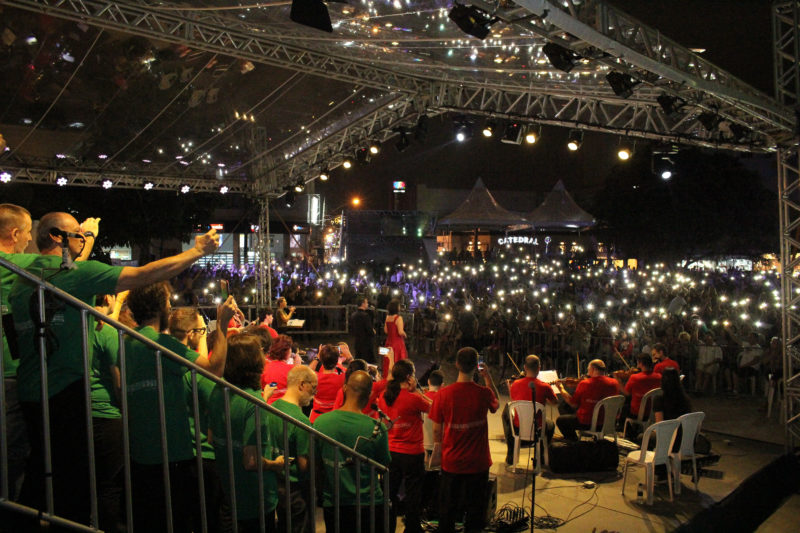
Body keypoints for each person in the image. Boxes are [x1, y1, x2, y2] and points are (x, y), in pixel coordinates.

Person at [10, 212, 219, 527]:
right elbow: (143, 275)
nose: (84, 239)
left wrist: (85, 241)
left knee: (38, 475)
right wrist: (196, 251)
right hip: (65, 393)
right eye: (78, 234)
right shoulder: (76, 275)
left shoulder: (19, 276)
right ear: (56, 237)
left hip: (29, 390)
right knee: (73, 489)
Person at [124, 282, 237, 532]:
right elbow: (215, 369)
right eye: (167, 303)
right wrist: (222, 324)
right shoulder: (160, 344)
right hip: (171, 454)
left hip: (139, 453)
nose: (169, 307)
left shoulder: (127, 340)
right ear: (158, 309)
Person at [208, 334, 285, 533]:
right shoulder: (254, 405)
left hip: (230, 490)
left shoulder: (218, 391)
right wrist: (276, 464)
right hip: (255, 498)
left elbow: (211, 436)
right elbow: (251, 461)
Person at [170, 306, 231, 533]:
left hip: (181, 452)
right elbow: (213, 378)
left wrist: (202, 337)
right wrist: (221, 327)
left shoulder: (170, 360)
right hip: (204, 455)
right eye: (202, 331)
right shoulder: (195, 375)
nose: (205, 334)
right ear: (191, 334)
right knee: (210, 518)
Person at [428, 347, 499, 533]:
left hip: (452, 462)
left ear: (457, 364)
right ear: (476, 366)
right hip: (478, 462)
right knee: (475, 512)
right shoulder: (484, 393)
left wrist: (438, 451)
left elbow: (436, 430)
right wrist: (488, 377)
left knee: (447, 511)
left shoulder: (444, 394)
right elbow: (496, 404)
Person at [314, 371, 391, 533]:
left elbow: (316, 463)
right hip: (369, 502)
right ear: (369, 394)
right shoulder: (377, 428)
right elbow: (383, 464)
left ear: (344, 388)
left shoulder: (321, 423)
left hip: (335, 501)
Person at [0, 203, 37, 501]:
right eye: (27, 234)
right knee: (13, 455)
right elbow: (66, 272)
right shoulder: (18, 265)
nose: (29, 241)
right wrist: (88, 236)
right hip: (11, 375)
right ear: (14, 234)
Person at [378, 360, 432, 533]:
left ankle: (388, 527)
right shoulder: (413, 398)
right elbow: (433, 407)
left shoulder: (384, 397)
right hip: (412, 453)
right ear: (409, 377)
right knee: (413, 494)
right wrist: (416, 390)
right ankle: (412, 528)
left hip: (391, 451)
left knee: (390, 493)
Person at [91, 291, 126, 532]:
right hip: (108, 415)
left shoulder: (81, 325)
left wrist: (119, 300)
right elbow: (119, 383)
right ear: (106, 298)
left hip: (81, 409)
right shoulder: (109, 333)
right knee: (110, 484)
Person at [267, 365, 317, 533]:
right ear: (302, 384)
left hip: (274, 484)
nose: (314, 393)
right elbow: (304, 466)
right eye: (313, 387)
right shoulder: (301, 421)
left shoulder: (270, 408)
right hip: (295, 490)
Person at [502, 355, 558, 465]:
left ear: (524, 367)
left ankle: (511, 453)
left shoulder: (515, 384)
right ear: (539, 368)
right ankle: (540, 456)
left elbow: (514, 400)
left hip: (518, 428)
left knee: (507, 413)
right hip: (538, 429)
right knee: (550, 424)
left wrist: (510, 388)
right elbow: (555, 402)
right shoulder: (545, 386)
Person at [556, 359, 620, 441]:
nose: (587, 373)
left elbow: (573, 404)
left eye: (588, 370)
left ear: (594, 369)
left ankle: (573, 442)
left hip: (589, 423)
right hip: (609, 422)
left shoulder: (585, 383)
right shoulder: (614, 383)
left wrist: (561, 389)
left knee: (561, 420)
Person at [618, 353, 662, 435]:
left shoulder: (635, 378)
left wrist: (619, 383)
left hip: (638, 413)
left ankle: (624, 429)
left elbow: (626, 393)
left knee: (624, 405)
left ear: (640, 363)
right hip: (654, 412)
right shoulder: (659, 376)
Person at [309, 345, 345, 423]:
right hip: (336, 418)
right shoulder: (343, 376)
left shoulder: (314, 378)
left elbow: (307, 370)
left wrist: (317, 357)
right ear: (337, 360)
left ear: (321, 360)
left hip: (316, 419)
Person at [261, 335, 297, 404]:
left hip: (268, 406)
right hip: (286, 406)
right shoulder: (292, 370)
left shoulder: (265, 367)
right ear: (287, 351)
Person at [384, 299, 408, 378]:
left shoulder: (387, 317)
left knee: (388, 361)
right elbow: (400, 332)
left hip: (388, 342)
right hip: (397, 343)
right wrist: (405, 334)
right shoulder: (398, 318)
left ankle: (387, 377)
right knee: (398, 361)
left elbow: (386, 330)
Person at [350, 296, 376, 363]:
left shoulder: (353, 315)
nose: (367, 304)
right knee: (366, 361)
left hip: (357, 341)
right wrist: (373, 332)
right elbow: (369, 329)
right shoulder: (365, 316)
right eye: (366, 303)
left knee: (358, 360)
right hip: (366, 342)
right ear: (363, 304)